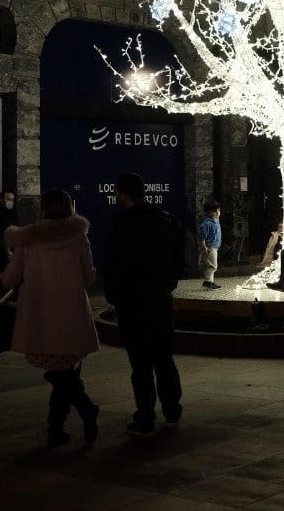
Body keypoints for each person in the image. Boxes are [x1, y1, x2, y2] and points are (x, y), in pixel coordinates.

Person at [0, 188, 100, 448]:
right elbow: (88, 277)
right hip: (72, 316)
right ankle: (83, 413)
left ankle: (58, 428)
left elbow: (11, 276)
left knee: (60, 375)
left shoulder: (28, 239)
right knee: (66, 373)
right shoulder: (78, 237)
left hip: (40, 318)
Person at [104, 172, 185, 438]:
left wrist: (114, 296)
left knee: (140, 364)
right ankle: (172, 411)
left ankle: (145, 418)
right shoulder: (165, 220)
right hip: (160, 299)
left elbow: (115, 265)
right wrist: (167, 284)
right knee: (164, 359)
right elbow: (178, 258)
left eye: (116, 191)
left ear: (124, 193)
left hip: (132, 304)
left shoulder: (123, 225)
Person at [198, 199, 222, 290]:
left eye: (218, 210)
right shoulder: (206, 223)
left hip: (214, 247)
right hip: (209, 248)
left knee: (211, 265)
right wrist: (203, 247)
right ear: (208, 213)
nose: (217, 213)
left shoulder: (216, 220)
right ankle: (207, 282)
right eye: (214, 211)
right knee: (213, 266)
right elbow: (202, 237)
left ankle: (211, 283)